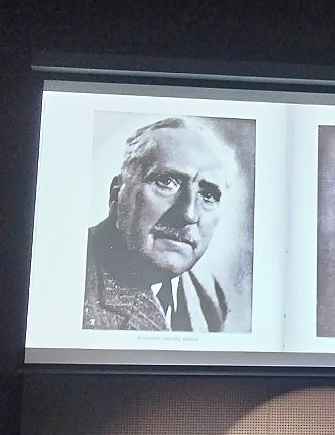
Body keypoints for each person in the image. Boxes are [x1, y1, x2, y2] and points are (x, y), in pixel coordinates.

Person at [83, 117, 238, 332]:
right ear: (116, 194)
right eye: (166, 182)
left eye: (208, 195)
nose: (189, 214)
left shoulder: (208, 293)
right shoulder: (73, 280)